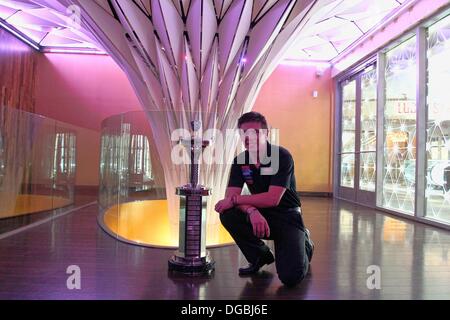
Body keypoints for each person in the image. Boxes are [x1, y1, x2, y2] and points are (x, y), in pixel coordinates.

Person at [215, 112, 314, 287]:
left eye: (254, 132)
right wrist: (251, 211)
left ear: (266, 134)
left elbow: (272, 199)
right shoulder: (240, 161)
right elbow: (231, 197)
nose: (248, 137)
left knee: (291, 277)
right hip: (261, 216)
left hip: (288, 217)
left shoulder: (281, 156)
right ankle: (259, 256)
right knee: (228, 214)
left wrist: (236, 200)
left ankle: (305, 243)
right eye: (244, 133)